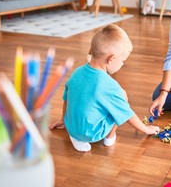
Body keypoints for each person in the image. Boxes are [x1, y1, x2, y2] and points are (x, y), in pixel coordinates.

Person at [50, 24, 160, 152]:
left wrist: (63, 120)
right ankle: (109, 137)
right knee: (122, 95)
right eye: (122, 60)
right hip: (93, 134)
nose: (122, 64)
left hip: (72, 128)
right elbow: (126, 113)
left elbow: (66, 98)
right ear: (111, 59)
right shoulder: (110, 85)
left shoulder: (77, 72)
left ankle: (77, 139)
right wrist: (146, 129)